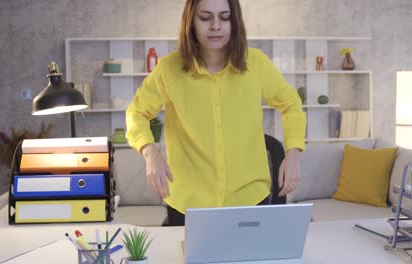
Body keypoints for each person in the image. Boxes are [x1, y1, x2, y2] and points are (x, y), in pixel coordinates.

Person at [125, 0, 306, 226]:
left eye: (224, 17)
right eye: (205, 17)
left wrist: (293, 155)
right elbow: (136, 112)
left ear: (235, 21)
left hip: (248, 199)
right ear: (191, 22)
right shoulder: (169, 69)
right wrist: (150, 152)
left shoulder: (256, 63)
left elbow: (291, 104)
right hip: (188, 204)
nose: (215, 26)